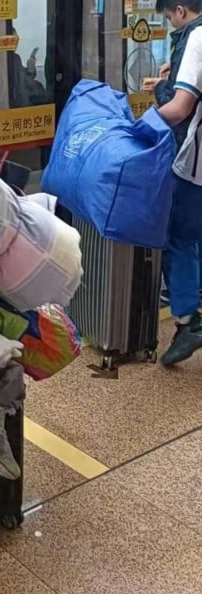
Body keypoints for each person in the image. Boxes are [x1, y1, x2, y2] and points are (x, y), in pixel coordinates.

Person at [145, 0, 202, 366]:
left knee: (177, 234)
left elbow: (181, 108)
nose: (169, 24)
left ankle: (187, 321)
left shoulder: (196, 38)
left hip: (196, 164)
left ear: (180, 10)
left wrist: (142, 126)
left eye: (168, 17)